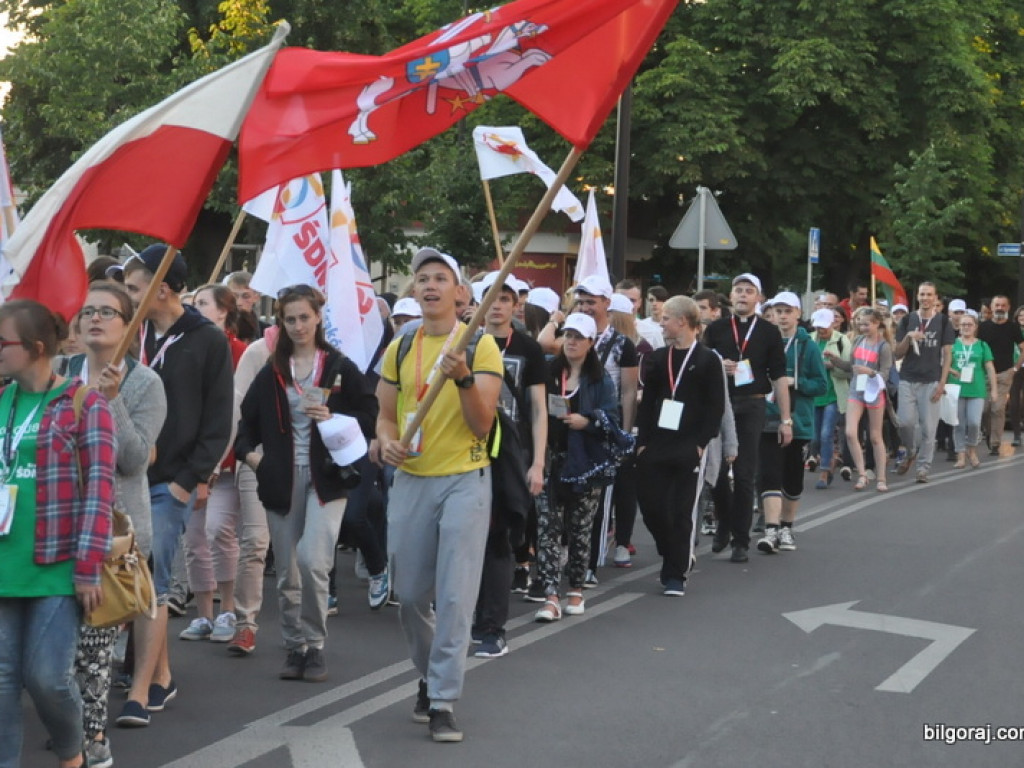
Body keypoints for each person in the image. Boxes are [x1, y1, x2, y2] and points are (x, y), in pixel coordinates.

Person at [377, 248, 502, 743]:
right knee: (409, 596)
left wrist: (464, 378)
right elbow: (386, 413)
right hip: (411, 478)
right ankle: (429, 673)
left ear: (459, 293)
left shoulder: (480, 346)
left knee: (454, 595)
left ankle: (444, 699)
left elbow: (483, 421)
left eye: (440, 278)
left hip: (464, 479)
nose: (429, 286)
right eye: (422, 278)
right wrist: (386, 441)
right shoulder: (401, 346)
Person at [117, 244, 234, 727]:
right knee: (134, 576)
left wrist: (193, 479)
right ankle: (161, 672)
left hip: (172, 482)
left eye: (133, 288)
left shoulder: (207, 339)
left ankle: (140, 692)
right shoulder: (134, 331)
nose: (127, 297)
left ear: (161, 288)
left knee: (153, 581)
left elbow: (218, 417)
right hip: (127, 474)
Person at [236, 284, 377, 682]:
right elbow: (244, 428)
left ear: (318, 318)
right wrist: (253, 458)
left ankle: (314, 645)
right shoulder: (272, 372)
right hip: (281, 480)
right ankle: (294, 644)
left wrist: (333, 416)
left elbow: (370, 415)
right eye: (289, 319)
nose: (298, 326)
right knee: (286, 572)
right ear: (281, 322)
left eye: (304, 317)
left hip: (327, 479)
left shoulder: (338, 367)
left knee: (314, 562)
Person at [0, 299, 116, 768]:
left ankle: (72, 752)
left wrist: (89, 567)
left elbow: (100, 492)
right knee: (3, 680)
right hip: (5, 562)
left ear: (36, 347)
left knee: (47, 678)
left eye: (3, 344)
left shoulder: (84, 404)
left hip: (58, 564)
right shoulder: (2, 401)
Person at [64, 283, 167, 768]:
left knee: (95, 645)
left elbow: (133, 458)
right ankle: (70, 723)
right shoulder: (60, 374)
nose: (95, 319)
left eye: (108, 311)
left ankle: (94, 737)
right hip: (58, 525)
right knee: (56, 645)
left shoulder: (145, 382)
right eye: (87, 312)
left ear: (129, 325)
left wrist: (111, 400)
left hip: (114, 534)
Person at [472, 272, 547, 658]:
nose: (498, 305)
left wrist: (537, 463)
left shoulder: (529, 349)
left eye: (506, 298)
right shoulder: (466, 342)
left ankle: (492, 628)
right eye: (492, 298)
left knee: (499, 537)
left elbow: (537, 408)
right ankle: (468, 615)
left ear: (516, 304)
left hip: (509, 456)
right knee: (466, 539)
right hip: (466, 451)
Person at [635, 297, 724, 594]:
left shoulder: (709, 359)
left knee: (681, 511)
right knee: (651, 506)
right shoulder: (659, 358)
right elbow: (648, 403)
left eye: (665, 319)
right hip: (657, 443)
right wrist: (642, 442)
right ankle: (670, 548)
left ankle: (676, 573)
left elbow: (715, 407)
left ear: (682, 321)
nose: (661, 324)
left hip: (689, 445)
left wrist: (701, 444)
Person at [703, 273, 792, 563]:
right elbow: (700, 363)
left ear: (758, 298)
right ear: (730, 296)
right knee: (716, 473)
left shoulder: (768, 331)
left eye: (748, 291)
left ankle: (741, 540)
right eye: (738, 290)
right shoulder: (716, 329)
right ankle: (725, 524)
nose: (742, 295)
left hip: (752, 405)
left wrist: (785, 419)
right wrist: (719, 364)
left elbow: (778, 376)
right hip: (719, 404)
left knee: (743, 474)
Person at [533, 313, 617, 618]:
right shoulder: (549, 371)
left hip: (585, 465)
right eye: (567, 335)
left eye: (578, 337)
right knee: (547, 528)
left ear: (591, 343)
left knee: (580, 529)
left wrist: (589, 421)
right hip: (551, 460)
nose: (571, 341)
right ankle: (550, 596)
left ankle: (576, 589)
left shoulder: (600, 379)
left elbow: (612, 419)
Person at [176, 284, 247, 645]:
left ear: (224, 311)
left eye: (203, 303)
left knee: (219, 530)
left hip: (227, 461)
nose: (195, 308)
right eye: (193, 303)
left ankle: (229, 608)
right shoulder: (184, 347)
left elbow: (235, 412)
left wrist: (217, 462)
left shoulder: (239, 352)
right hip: (189, 461)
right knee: (193, 538)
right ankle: (204, 613)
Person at [754, 293, 827, 553]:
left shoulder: (808, 346)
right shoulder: (764, 342)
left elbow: (821, 384)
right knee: (768, 472)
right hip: (767, 417)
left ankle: (786, 526)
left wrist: (797, 383)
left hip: (798, 419)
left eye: (787, 311)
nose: (782, 316)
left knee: (792, 477)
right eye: (778, 311)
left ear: (798, 313)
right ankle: (771, 529)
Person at [893, 282, 954, 484]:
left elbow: (947, 355)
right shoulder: (908, 320)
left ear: (936, 298)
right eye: (922, 294)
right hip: (908, 378)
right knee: (905, 423)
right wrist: (909, 337)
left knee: (928, 429)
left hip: (931, 380)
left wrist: (942, 383)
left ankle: (923, 468)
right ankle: (911, 451)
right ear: (917, 296)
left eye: (929, 294)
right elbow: (897, 353)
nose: (925, 298)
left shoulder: (943, 322)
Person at [836, 308, 894, 493]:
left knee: (875, 436)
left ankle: (881, 477)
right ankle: (861, 474)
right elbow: (850, 367)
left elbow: (885, 374)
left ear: (877, 324)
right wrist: (834, 361)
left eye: (867, 324)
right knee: (851, 432)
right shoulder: (858, 340)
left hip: (874, 392)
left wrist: (870, 372)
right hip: (856, 390)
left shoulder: (884, 346)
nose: (863, 327)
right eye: (860, 323)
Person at [808, 308, 851, 489]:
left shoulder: (841, 340)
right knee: (815, 436)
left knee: (826, 433)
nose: (821, 330)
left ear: (833, 324)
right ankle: (828, 463)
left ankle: (825, 471)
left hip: (833, 393)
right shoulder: (809, 339)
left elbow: (848, 369)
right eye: (818, 327)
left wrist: (832, 364)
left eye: (824, 327)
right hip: (814, 394)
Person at [949, 312, 998, 468]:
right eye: (963, 324)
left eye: (969, 324)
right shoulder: (952, 344)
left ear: (975, 327)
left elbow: (990, 368)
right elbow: (943, 364)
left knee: (974, 422)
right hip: (956, 388)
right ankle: (961, 455)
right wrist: (951, 371)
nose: (966, 327)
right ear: (958, 327)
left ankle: (972, 450)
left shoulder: (982, 345)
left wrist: (994, 389)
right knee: (959, 424)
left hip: (977, 389)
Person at [978, 295, 1023, 455]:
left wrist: (1016, 368)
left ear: (1008, 308)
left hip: (1004, 374)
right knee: (984, 409)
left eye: (1003, 305)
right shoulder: (982, 327)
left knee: (998, 409)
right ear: (991, 306)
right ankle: (989, 432)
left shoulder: (1013, 327)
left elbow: (1023, 347)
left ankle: (996, 443)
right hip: (984, 374)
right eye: (997, 305)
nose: (1000, 308)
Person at [1008, 305, 1024, 446]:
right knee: (1014, 402)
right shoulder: (1012, 331)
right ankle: (1017, 434)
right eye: (1020, 316)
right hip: (1015, 368)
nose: (1022, 319)